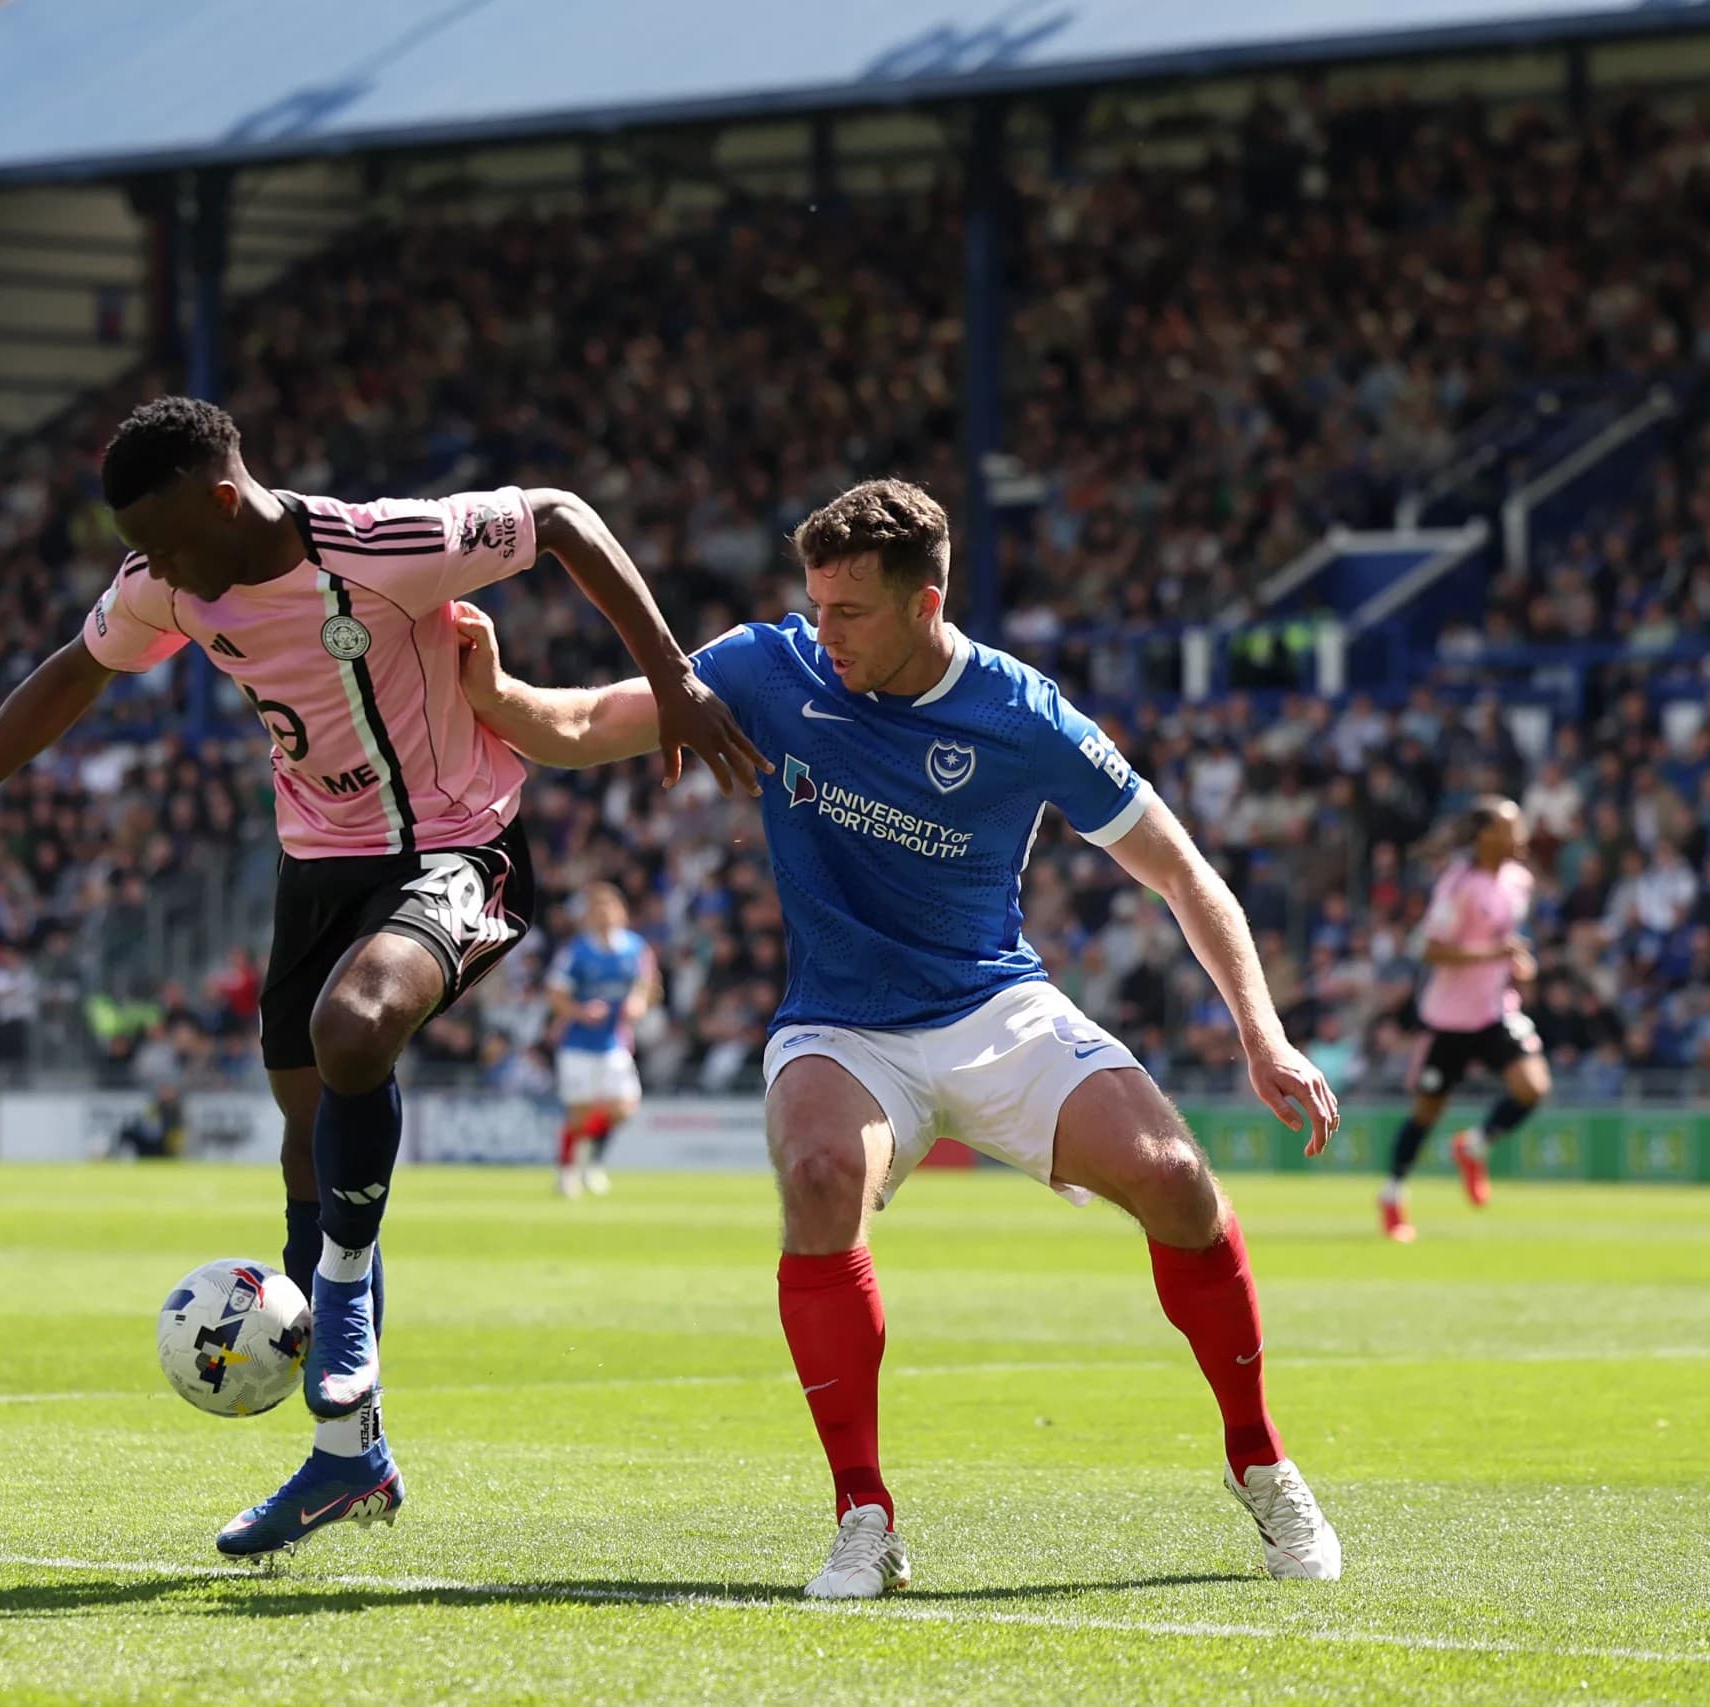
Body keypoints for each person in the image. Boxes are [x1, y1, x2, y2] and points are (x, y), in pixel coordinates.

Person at [0, 396, 761, 1559]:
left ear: (225, 500)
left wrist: (677, 680)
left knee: (357, 1030)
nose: (157, 572)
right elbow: (70, 674)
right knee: (307, 1145)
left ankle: (340, 1307)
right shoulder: (172, 585)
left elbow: (560, 519)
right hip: (316, 872)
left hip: (457, 844)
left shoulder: (383, 545)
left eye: (170, 542)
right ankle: (351, 1461)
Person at [454, 478, 1344, 1596]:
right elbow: (584, 722)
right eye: (814, 606)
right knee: (821, 1176)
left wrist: (1263, 1038)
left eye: (849, 613)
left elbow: (1180, 872)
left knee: (1175, 1180)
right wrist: (493, 690)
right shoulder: (763, 668)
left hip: (994, 1008)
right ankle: (862, 1514)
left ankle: (1259, 1462)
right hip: (839, 1024)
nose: (821, 634)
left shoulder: (1024, 714)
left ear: (926, 604)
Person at [1378, 797, 1549, 1241]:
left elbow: (1503, 937)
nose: (1521, 835)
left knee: (1533, 1088)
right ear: (1485, 836)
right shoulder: (1458, 883)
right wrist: (1496, 953)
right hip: (1449, 1019)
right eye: (1512, 828)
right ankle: (1393, 1196)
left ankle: (1473, 1146)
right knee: (1427, 1112)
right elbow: (1429, 948)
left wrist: (1517, 962)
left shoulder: (1518, 881)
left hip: (1495, 1011)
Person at [545, 882, 658, 1197]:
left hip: (614, 1043)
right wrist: (579, 1011)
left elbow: (647, 984)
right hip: (578, 1044)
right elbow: (555, 993)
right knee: (579, 1112)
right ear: (589, 916)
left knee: (624, 1108)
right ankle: (567, 1171)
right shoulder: (577, 951)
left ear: (622, 913)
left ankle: (592, 1161)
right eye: (598, 909)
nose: (605, 915)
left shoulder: (636, 948)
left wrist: (639, 1002)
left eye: (610, 908)